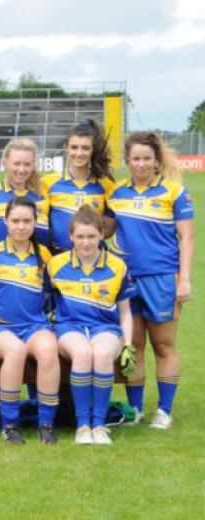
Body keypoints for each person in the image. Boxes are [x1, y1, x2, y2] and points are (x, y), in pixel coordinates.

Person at [106, 132, 194, 428]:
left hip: (162, 280)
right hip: (127, 281)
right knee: (133, 346)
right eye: (136, 159)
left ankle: (164, 411)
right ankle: (135, 410)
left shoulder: (174, 191)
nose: (141, 164)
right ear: (127, 161)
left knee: (164, 346)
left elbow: (188, 237)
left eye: (147, 158)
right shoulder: (116, 193)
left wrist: (184, 279)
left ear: (156, 160)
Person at [48, 206, 134, 445]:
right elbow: (45, 305)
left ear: (102, 235)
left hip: (105, 328)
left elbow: (125, 312)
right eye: (80, 237)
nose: (86, 243)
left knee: (103, 353)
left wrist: (127, 344)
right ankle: (83, 425)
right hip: (69, 327)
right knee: (83, 353)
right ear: (71, 237)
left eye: (91, 236)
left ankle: (99, 425)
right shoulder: (55, 265)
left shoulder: (117, 266)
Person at [0, 197, 59, 445]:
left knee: (49, 350)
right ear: (6, 222)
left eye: (27, 221)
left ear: (35, 222)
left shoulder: (44, 256)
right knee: (15, 351)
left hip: (35, 327)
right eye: (15, 221)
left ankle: (46, 423)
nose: (21, 226)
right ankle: (10, 424)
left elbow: (51, 296)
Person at [42, 120, 114, 253]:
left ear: (93, 150)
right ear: (66, 146)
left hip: (93, 258)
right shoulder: (47, 183)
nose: (79, 153)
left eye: (85, 148)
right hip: (58, 257)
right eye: (74, 147)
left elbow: (108, 231)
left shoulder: (106, 185)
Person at [0, 138, 49, 247]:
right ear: (4, 163)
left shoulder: (45, 194)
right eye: (16, 164)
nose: (21, 169)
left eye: (27, 164)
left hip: (39, 263)